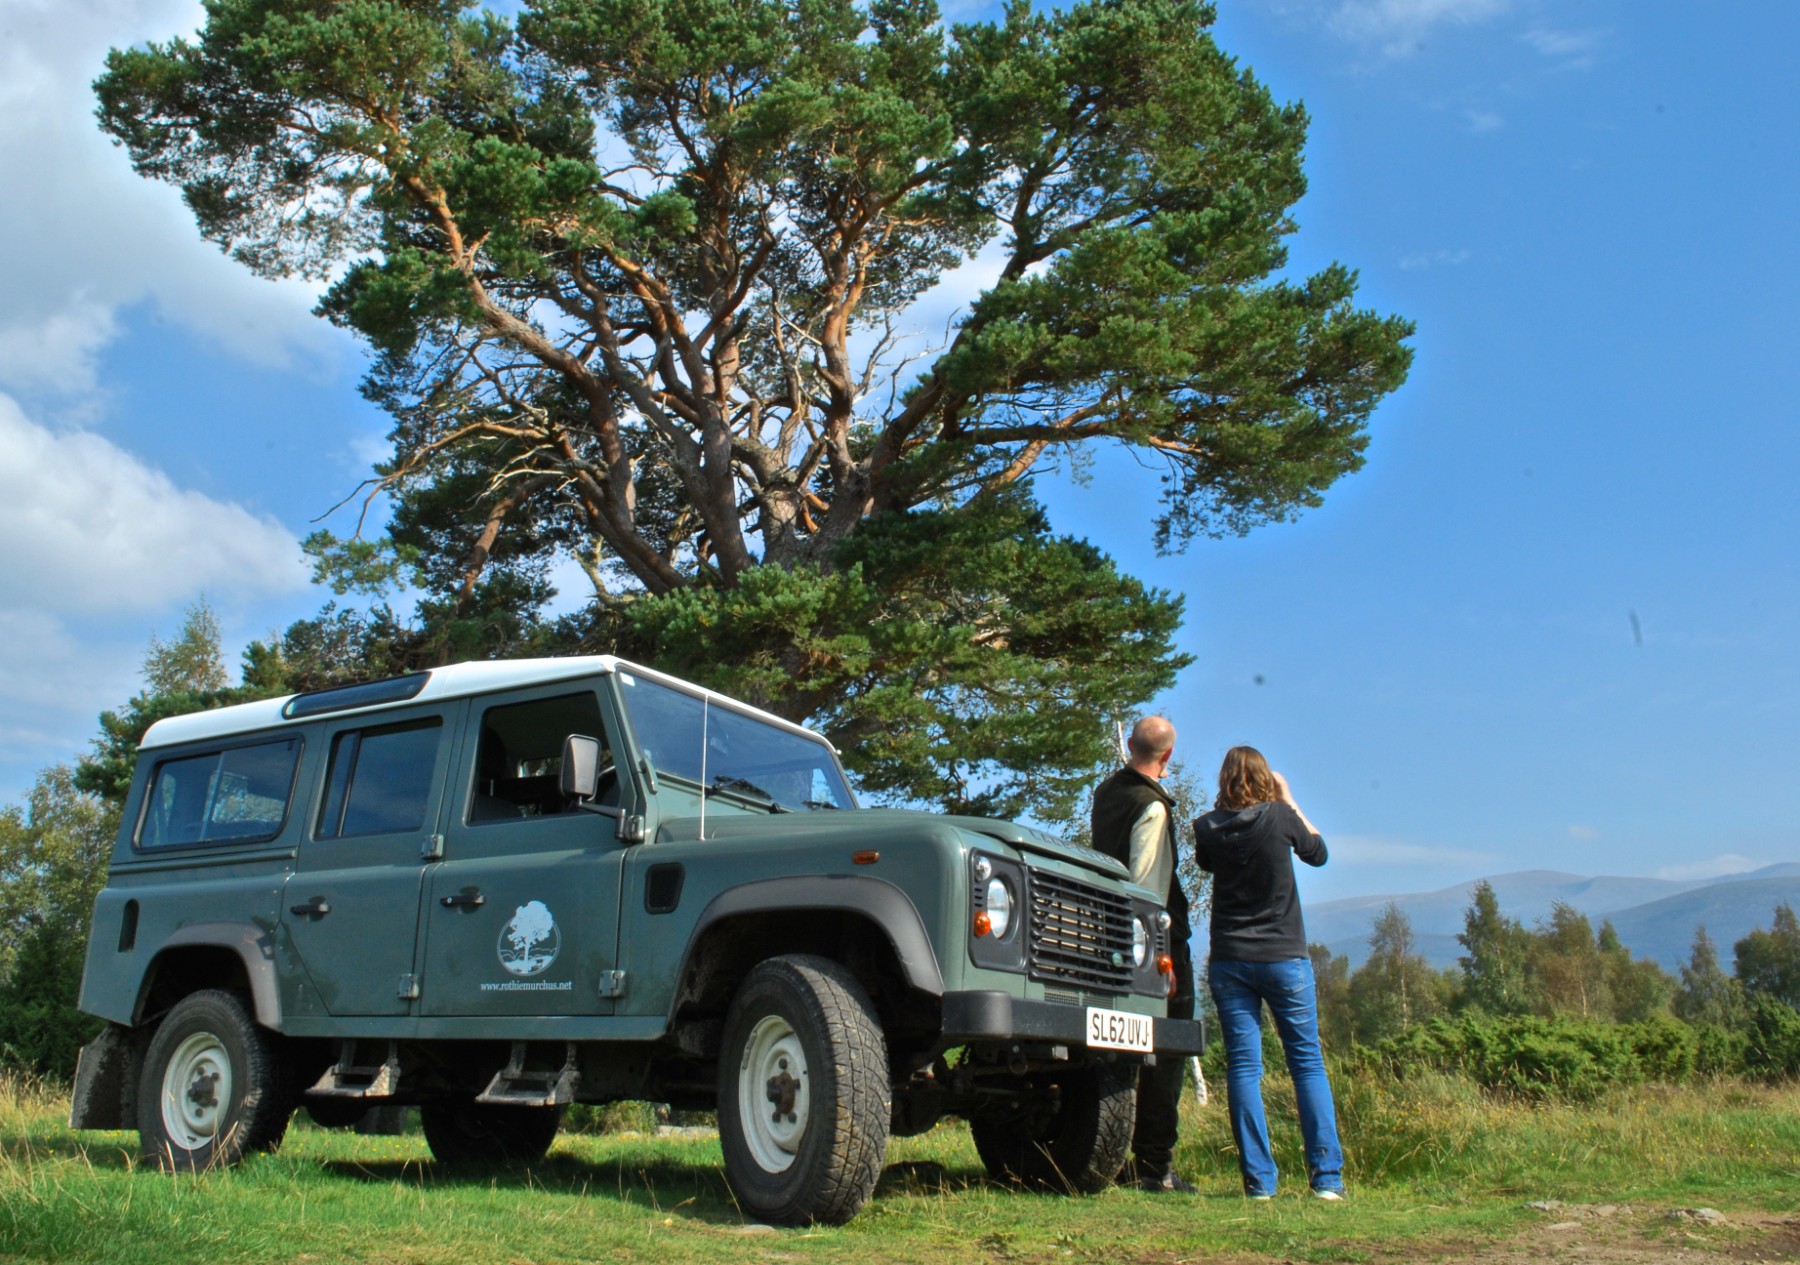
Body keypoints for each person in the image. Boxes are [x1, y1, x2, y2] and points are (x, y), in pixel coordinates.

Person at [1193, 745, 1345, 1201]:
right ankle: (1327, 1180)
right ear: (1265, 779)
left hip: (1230, 959)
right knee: (1307, 1065)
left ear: (1223, 780)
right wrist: (1288, 796)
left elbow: (1205, 864)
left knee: (1243, 1067)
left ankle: (1259, 1182)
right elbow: (1318, 853)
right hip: (1284, 957)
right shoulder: (1281, 818)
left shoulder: (1207, 828)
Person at [1090, 716, 1197, 1194]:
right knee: (1166, 1050)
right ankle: (1154, 1165)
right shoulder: (1152, 807)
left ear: (1130, 746)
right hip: (1149, 942)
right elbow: (1147, 887)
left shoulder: (1106, 793)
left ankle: (1107, 1153)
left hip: (1105, 936)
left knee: (1115, 1052)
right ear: (1168, 757)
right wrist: (1163, 959)